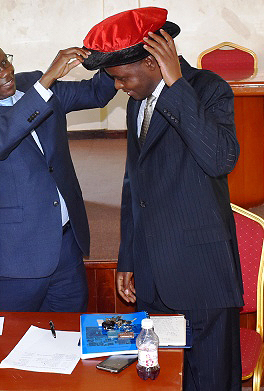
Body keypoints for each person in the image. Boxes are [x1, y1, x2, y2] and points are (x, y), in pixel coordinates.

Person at [82, 7, 243, 391]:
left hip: (200, 272)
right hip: (154, 271)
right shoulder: (137, 102)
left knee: (209, 379)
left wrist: (176, 86)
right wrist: (129, 256)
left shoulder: (208, 89)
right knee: (161, 376)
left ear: (154, 61)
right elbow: (132, 185)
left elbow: (220, 159)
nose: (118, 87)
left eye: (122, 77)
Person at [0, 37, 117, 312]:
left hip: (66, 245)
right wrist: (45, 82)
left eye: (5, 62)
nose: (6, 73)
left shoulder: (32, 84)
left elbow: (97, 92)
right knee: (12, 343)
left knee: (70, 338)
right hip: (15, 257)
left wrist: (115, 51)